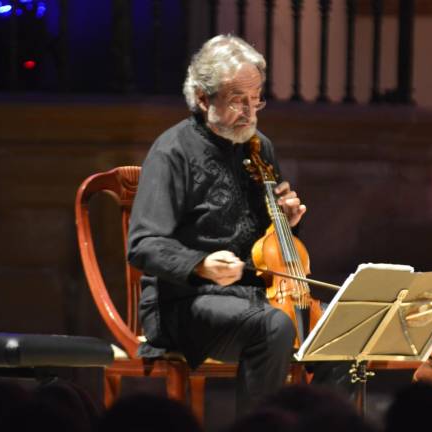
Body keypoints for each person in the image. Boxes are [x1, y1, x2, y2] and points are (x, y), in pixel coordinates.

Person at [127, 35, 308, 411]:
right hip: (184, 302)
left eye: (256, 98)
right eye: (237, 100)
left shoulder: (258, 146)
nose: (250, 112)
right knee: (273, 327)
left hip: (255, 296)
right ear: (203, 98)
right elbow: (143, 244)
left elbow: (267, 239)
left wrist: (285, 223)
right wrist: (200, 265)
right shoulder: (172, 151)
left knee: (333, 339)